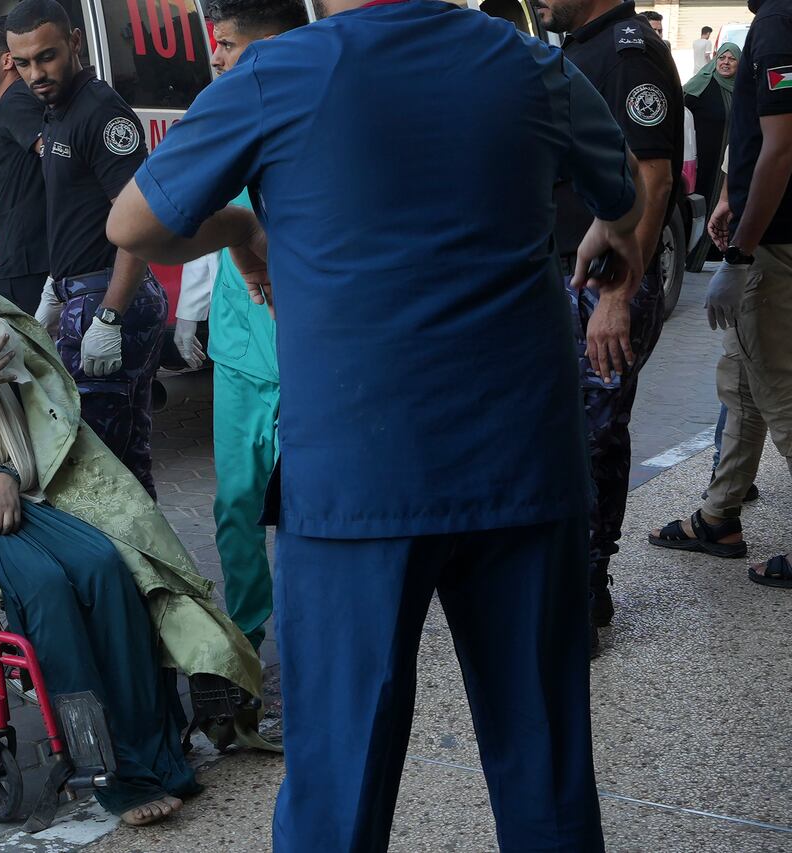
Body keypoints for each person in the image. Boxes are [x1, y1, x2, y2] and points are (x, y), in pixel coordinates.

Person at [107, 0, 645, 847]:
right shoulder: (530, 65)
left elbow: (133, 223)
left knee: (338, 786)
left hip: (358, 480)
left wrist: (247, 225)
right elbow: (625, 194)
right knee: (544, 770)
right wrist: (615, 242)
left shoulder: (275, 74)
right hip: (524, 468)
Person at [0, 214, 271, 825]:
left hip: (12, 491)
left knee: (105, 566)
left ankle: (157, 755)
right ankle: (107, 771)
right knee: (48, 589)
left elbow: (30, 418)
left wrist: (8, 475)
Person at [539, 0, 683, 657]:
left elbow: (650, 181)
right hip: (575, 278)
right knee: (571, 436)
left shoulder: (627, 53)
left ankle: (585, 594)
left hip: (606, 288)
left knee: (594, 439)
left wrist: (619, 293)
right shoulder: (580, 46)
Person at [172, 0, 307, 654]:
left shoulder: (319, 106)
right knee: (236, 508)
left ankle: (313, 645)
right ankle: (250, 640)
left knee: (308, 516)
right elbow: (191, 209)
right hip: (241, 349)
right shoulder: (220, 109)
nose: (215, 56)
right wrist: (191, 306)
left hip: (312, 353)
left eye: (224, 42)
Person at [650, 0, 792, 591]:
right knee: (741, 382)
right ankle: (718, 517)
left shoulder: (780, 20)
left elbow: (782, 146)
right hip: (769, 230)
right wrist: (734, 195)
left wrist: (737, 256)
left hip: (775, 243)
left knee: (780, 392)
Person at [8, 0, 168, 498]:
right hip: (79, 292)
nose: (36, 73)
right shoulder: (56, 110)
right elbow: (76, 217)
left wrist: (111, 316)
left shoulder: (101, 112)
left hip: (108, 296)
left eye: (47, 57)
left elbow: (139, 224)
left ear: (76, 43)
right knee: (123, 465)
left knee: (99, 473)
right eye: (23, 63)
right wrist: (57, 286)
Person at [0, 14, 50, 314]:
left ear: (6, 61)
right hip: (27, 256)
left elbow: (55, 156)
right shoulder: (19, 99)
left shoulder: (17, 100)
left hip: (28, 261)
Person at [684, 42, 742, 268]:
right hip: (703, 162)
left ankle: (718, 253)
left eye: (732, 59)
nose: (726, 63)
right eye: (722, 58)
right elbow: (681, 113)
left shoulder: (743, 89)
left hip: (730, 163)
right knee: (702, 203)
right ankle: (693, 256)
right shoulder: (700, 85)